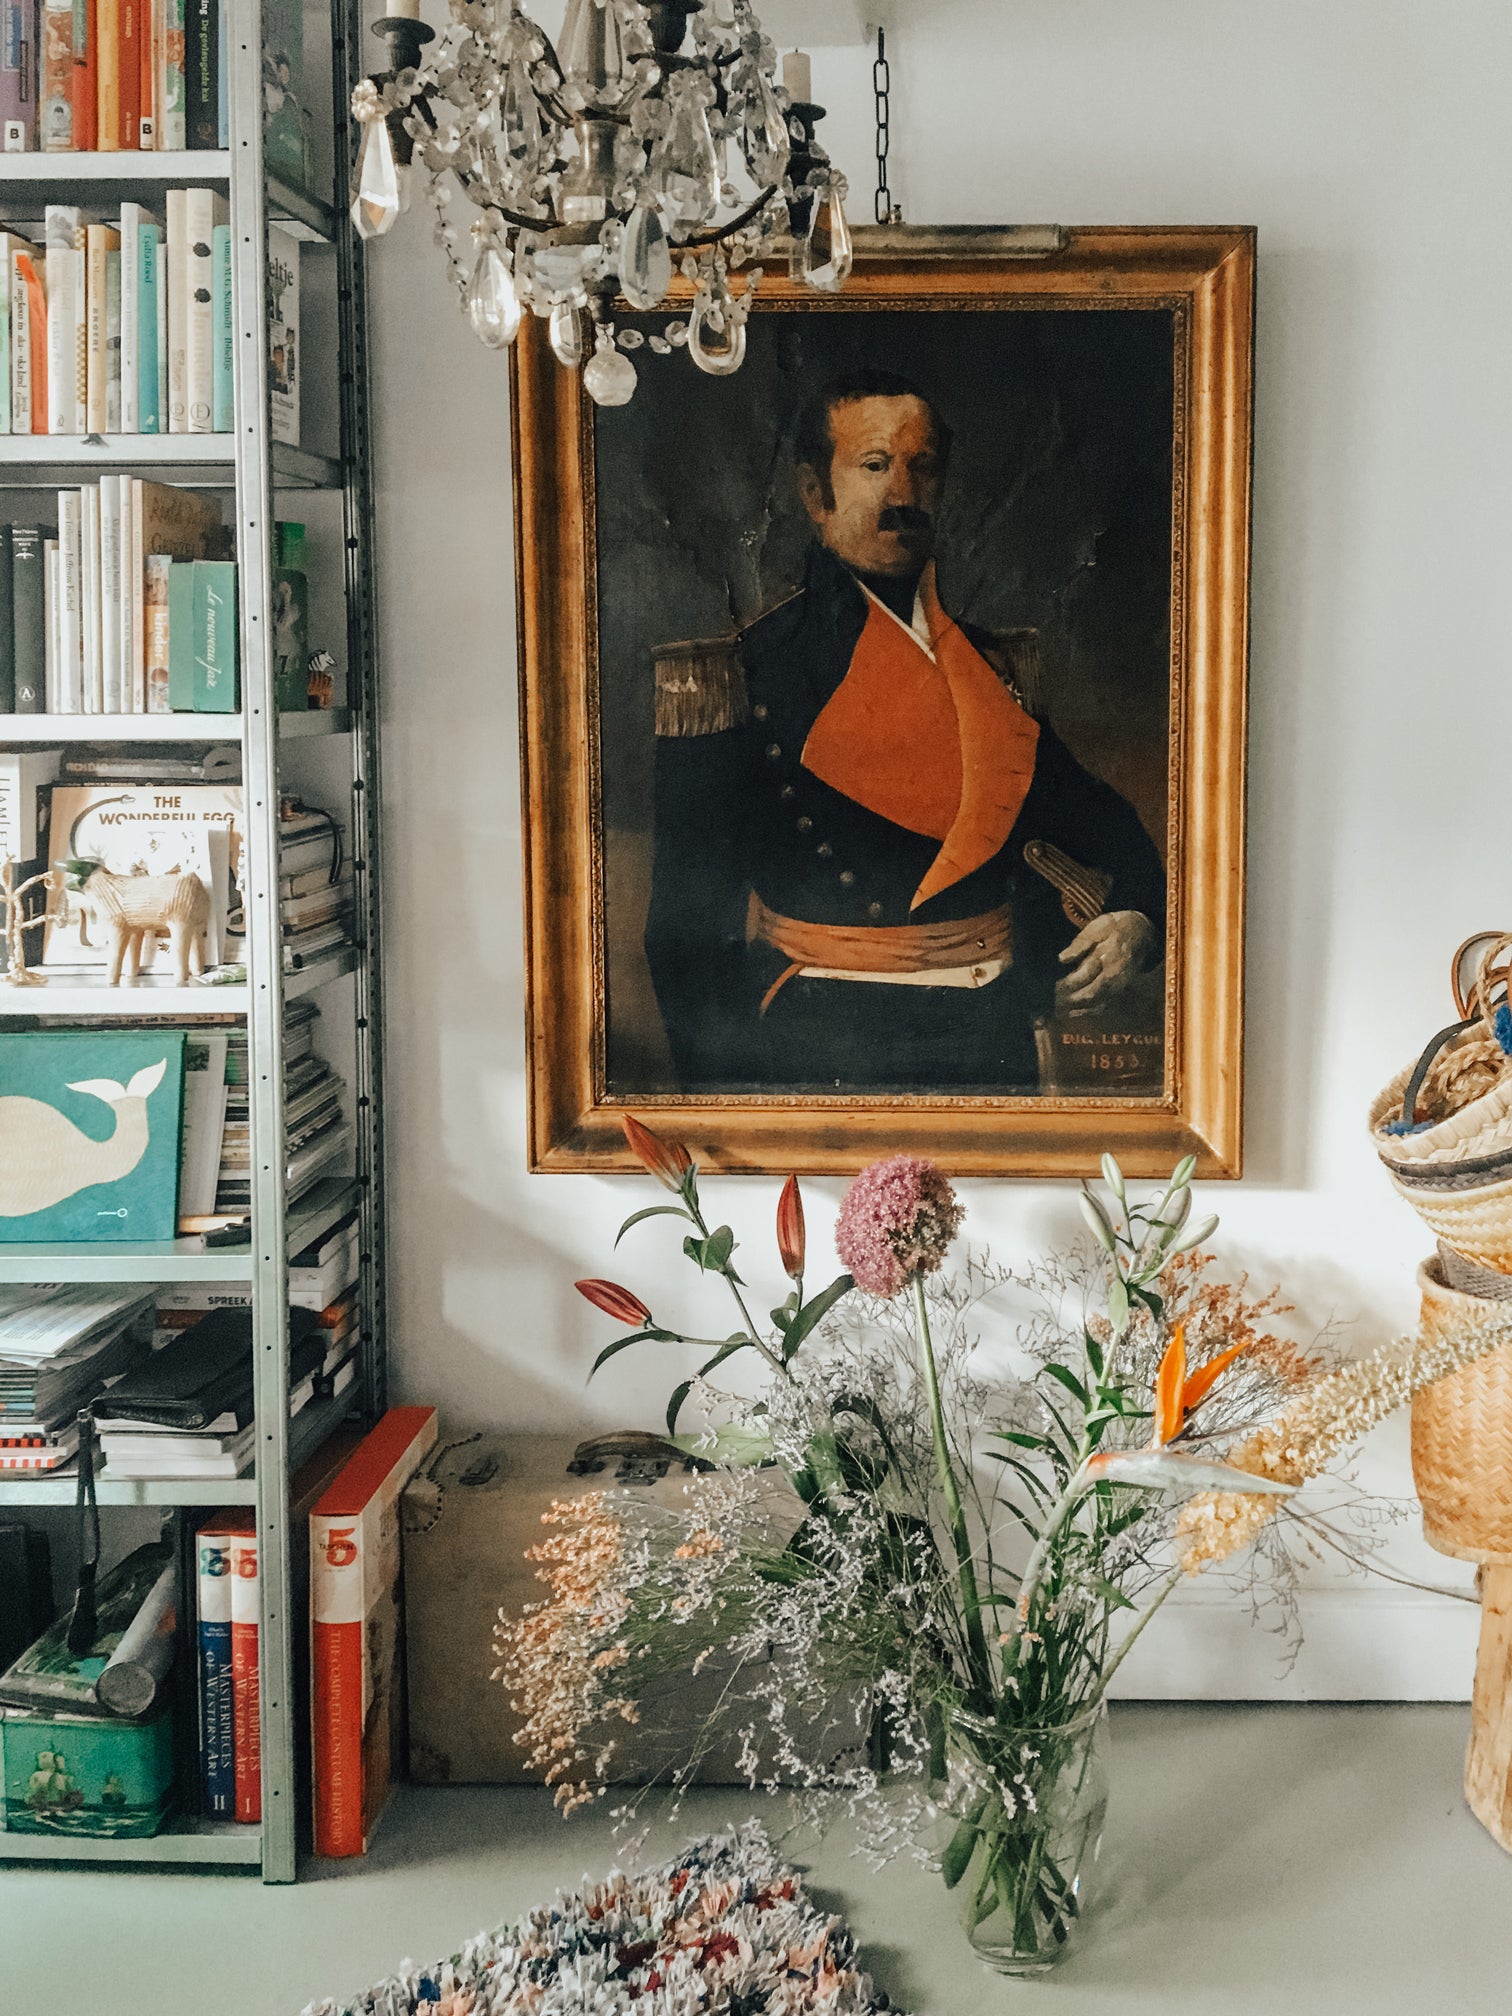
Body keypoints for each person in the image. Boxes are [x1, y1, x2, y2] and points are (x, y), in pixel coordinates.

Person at [645, 368, 1165, 1092]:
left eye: (922, 468)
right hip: (815, 1042)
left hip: (993, 1038)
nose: (903, 495)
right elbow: (682, 938)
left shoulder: (992, 671)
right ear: (812, 495)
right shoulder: (737, 678)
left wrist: (1139, 919)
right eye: (875, 466)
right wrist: (730, 1116)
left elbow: (1109, 830)